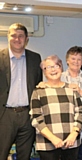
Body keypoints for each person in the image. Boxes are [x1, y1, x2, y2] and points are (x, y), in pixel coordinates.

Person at [0, 23, 42, 160]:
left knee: (25, 155)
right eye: (13, 35)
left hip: (27, 114)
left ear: (26, 38)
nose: (17, 39)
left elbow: (38, 86)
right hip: (4, 115)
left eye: (21, 36)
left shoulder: (35, 58)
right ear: (8, 37)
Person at [30, 55, 82, 160]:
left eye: (56, 66)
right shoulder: (38, 92)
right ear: (44, 72)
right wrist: (53, 139)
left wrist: (74, 134)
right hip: (47, 145)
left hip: (71, 143)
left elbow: (80, 112)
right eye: (48, 67)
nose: (53, 70)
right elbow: (36, 119)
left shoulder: (71, 89)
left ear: (61, 68)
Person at [61, 46, 82, 160]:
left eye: (79, 59)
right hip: (66, 122)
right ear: (67, 60)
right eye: (73, 58)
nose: (76, 62)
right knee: (66, 155)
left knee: (81, 154)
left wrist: (81, 93)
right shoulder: (60, 78)